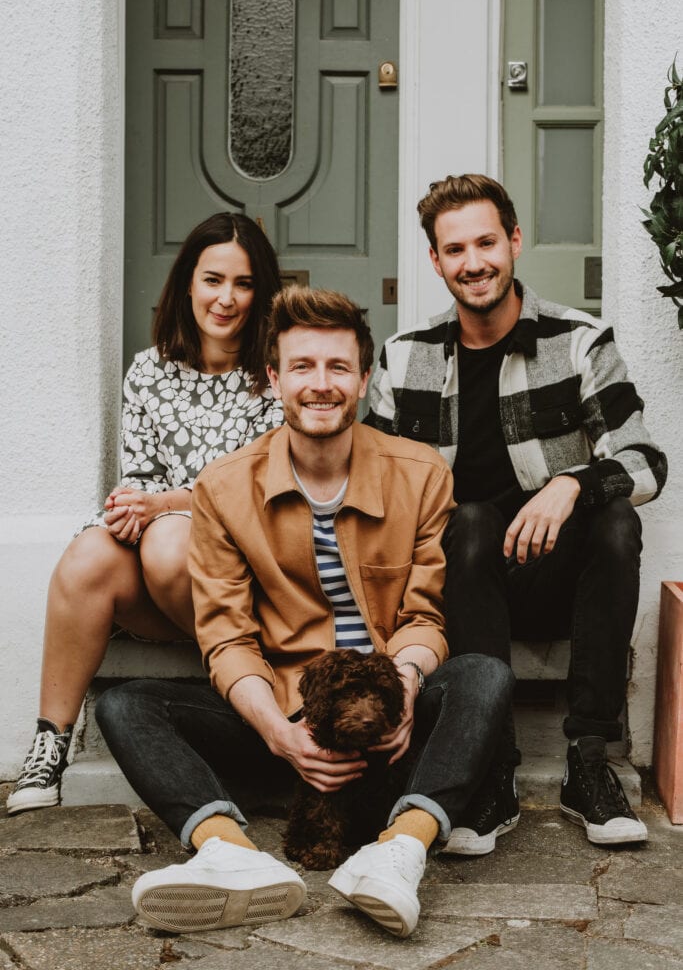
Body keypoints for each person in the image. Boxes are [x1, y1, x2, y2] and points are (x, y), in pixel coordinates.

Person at [95, 286, 515, 939]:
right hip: (286, 722)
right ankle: (229, 853)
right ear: (273, 378)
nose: (320, 385)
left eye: (337, 367)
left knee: (484, 675)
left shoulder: (420, 473)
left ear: (364, 379)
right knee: (125, 706)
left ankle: (399, 849)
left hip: (387, 722)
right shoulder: (224, 488)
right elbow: (226, 637)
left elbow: (424, 618)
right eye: (302, 367)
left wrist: (403, 690)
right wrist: (279, 733)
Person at [366, 174, 667, 853]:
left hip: (559, 584)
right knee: (468, 520)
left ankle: (587, 759)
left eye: (485, 242)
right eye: (454, 249)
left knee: (618, 519)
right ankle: (491, 764)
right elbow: (369, 487)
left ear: (513, 242)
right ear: (436, 260)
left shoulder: (579, 341)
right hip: (460, 589)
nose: (472, 262)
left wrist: (569, 486)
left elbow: (647, 461)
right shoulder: (403, 356)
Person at [7, 213, 284, 816]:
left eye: (243, 284)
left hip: (253, 581)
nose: (226, 298)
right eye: (213, 279)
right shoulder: (150, 369)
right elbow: (142, 475)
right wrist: (135, 507)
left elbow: (256, 494)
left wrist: (163, 506)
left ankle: (248, 682)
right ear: (187, 282)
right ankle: (49, 744)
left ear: (260, 292)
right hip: (169, 574)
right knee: (89, 554)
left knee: (165, 538)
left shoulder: (278, 374)